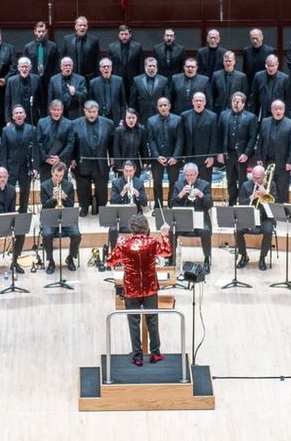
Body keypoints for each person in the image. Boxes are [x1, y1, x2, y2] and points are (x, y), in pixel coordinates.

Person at [107, 214, 172, 367]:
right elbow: (167, 252)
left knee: (133, 322)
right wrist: (164, 235)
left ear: (132, 229)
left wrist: (117, 244)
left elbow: (110, 262)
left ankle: (137, 356)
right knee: (153, 320)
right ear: (146, 227)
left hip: (131, 289)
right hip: (150, 288)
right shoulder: (152, 242)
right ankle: (155, 353)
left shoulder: (125, 245)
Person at [169, 163, 214, 271]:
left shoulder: (205, 185)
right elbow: (171, 204)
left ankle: (207, 259)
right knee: (172, 231)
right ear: (184, 175)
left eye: (192, 175)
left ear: (197, 173)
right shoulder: (178, 185)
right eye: (187, 175)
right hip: (183, 219)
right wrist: (181, 194)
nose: (189, 177)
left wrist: (201, 195)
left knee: (205, 231)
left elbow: (210, 204)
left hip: (201, 219)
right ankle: (171, 258)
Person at [74, 101, 114, 217]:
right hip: (82, 162)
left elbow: (112, 143)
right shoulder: (75, 124)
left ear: (98, 111)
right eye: (89, 112)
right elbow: (72, 143)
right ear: (84, 111)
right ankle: (84, 207)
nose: (92, 114)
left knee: (102, 187)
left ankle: (101, 208)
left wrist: (112, 157)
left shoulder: (108, 123)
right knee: (82, 186)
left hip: (100, 162)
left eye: (94, 112)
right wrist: (71, 159)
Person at [40, 163, 81, 273]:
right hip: (49, 218)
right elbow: (44, 206)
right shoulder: (44, 186)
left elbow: (71, 205)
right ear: (52, 173)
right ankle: (51, 261)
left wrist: (65, 197)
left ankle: (71, 258)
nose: (58, 178)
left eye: (61, 176)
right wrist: (53, 198)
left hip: (66, 218)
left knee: (76, 234)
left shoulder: (69, 186)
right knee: (47, 234)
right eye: (56, 175)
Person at [219, 93, 258, 205]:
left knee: (242, 181)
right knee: (230, 180)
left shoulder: (251, 117)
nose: (235, 103)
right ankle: (231, 203)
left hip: (242, 154)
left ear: (243, 103)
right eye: (233, 101)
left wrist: (246, 153)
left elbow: (253, 137)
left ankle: (242, 203)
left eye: (238, 101)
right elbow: (220, 135)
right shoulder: (224, 115)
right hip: (228, 153)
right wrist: (220, 153)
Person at [1, 104, 39, 213]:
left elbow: (35, 150)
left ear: (25, 115)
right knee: (9, 192)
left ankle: (23, 214)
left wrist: (35, 167)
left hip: (26, 167)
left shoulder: (32, 129)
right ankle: (10, 213)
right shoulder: (6, 131)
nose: (19, 115)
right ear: (12, 116)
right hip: (10, 167)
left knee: (25, 193)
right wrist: (3, 169)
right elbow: (3, 152)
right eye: (16, 113)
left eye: (21, 112)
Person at [147, 98, 183, 207]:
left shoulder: (178, 120)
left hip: (173, 158)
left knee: (174, 183)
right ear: (157, 107)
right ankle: (158, 206)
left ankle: (172, 205)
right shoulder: (151, 121)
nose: (163, 107)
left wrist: (176, 156)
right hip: (157, 158)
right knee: (157, 183)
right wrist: (157, 156)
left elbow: (180, 140)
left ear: (169, 106)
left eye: (165, 105)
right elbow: (151, 140)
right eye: (160, 105)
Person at [250, 55, 291, 121]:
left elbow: (288, 100)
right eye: (268, 66)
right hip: (262, 112)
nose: (270, 68)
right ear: (265, 65)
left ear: (277, 65)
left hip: (278, 112)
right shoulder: (258, 76)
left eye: (272, 66)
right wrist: (252, 115)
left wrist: (287, 117)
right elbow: (253, 97)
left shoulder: (285, 78)